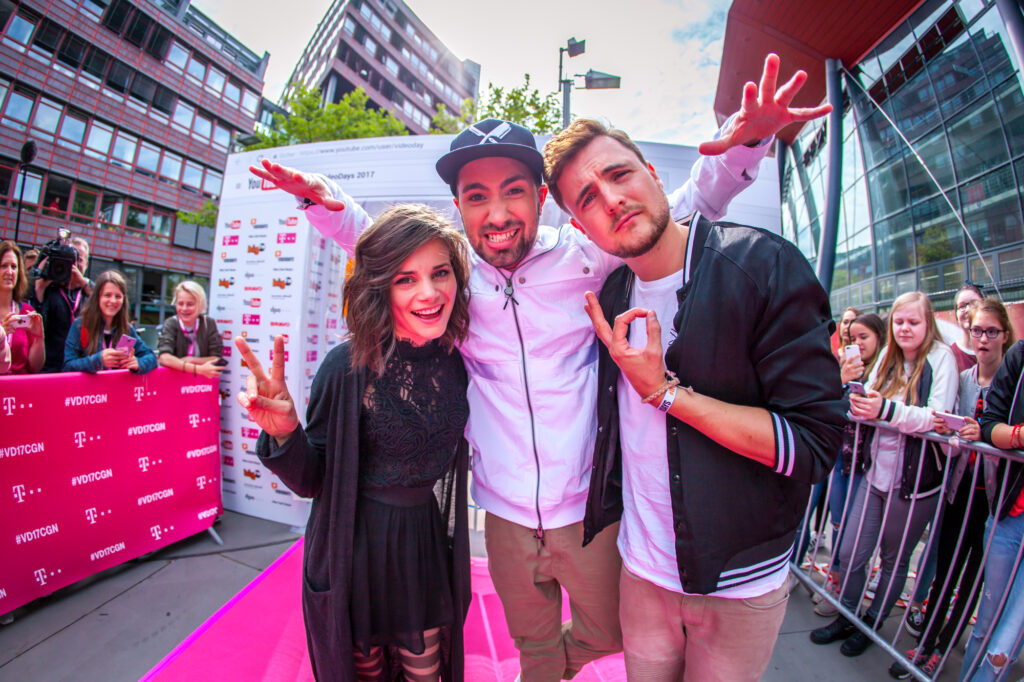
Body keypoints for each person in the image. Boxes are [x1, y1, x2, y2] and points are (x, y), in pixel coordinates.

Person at [250, 53, 829, 681]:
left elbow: (678, 208)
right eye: (477, 197)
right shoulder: (456, 283)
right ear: (459, 208)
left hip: (585, 511)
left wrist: (743, 145)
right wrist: (326, 204)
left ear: (543, 198)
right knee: (532, 644)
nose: (498, 213)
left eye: (514, 192)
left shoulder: (588, 256)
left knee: (610, 631)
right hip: (504, 515)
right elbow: (390, 251)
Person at [539, 117, 845, 680]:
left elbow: (814, 443)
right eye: (588, 198)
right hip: (641, 571)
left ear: (654, 175)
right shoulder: (610, 295)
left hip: (740, 581)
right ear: (580, 225)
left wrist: (664, 393)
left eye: (619, 175)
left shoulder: (760, 265)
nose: (611, 200)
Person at [238, 205, 472, 681]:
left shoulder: (460, 362)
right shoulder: (347, 366)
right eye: (406, 279)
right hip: (355, 550)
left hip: (422, 548)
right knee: (364, 673)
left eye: (440, 273)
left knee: (428, 672)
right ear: (379, 287)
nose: (429, 293)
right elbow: (312, 480)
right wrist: (285, 434)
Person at [811, 292, 958, 657]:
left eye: (913, 322)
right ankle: (848, 615)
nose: (905, 328)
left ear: (928, 324)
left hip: (915, 484)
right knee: (850, 552)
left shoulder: (942, 358)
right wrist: (859, 404)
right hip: (875, 473)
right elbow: (870, 403)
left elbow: (936, 417)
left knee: (894, 560)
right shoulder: (888, 357)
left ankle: (871, 622)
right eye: (899, 321)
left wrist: (886, 411)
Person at [889, 298, 1015, 679]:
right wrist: (948, 432)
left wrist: (987, 436)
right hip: (959, 490)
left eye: (991, 331)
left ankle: (942, 648)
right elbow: (951, 432)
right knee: (944, 571)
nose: (983, 339)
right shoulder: (963, 379)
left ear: (1005, 335)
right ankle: (926, 642)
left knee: (973, 581)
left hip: (995, 500)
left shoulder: (1013, 383)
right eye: (977, 330)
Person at [811, 312, 887, 618]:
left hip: (865, 466)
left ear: (879, 338)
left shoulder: (883, 372)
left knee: (853, 536)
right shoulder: (843, 367)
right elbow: (825, 401)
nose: (857, 343)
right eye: (853, 338)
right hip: (840, 460)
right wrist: (841, 377)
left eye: (863, 337)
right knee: (838, 525)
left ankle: (845, 593)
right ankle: (835, 583)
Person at [960, 329, 1024, 680]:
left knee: (1007, 640)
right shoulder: (1020, 356)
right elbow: (990, 425)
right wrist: (1020, 435)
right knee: (986, 623)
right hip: (1011, 513)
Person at [62, 270, 156, 374]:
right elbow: (67, 366)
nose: (113, 301)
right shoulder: (80, 325)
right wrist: (98, 361)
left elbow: (151, 357)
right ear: (98, 297)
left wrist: (138, 363)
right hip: (90, 385)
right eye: (107, 295)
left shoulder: (127, 329)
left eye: (118, 296)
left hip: (116, 385)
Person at [32, 235, 92, 372]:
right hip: (50, 368)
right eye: (71, 259)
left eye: (79, 259)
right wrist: (40, 287)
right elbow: (37, 321)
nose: (74, 264)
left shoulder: (88, 294)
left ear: (87, 264)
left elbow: (102, 299)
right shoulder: (51, 289)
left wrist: (82, 282)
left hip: (79, 369)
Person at [157, 281, 224, 378]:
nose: (184, 308)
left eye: (190, 304)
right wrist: (199, 369)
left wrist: (191, 360)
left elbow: (216, 359)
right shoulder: (171, 323)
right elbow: (164, 358)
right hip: (176, 380)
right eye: (180, 304)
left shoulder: (208, 323)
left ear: (200, 305)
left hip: (201, 383)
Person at [0, 240, 44, 374]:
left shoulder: (27, 311)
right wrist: (2, 335)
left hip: (19, 385)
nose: (9, 272)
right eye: (4, 266)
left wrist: (39, 338)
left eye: (14, 267)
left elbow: (35, 367)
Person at [950, 283, 983, 372]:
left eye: (974, 304)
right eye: (962, 306)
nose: (968, 309)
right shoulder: (950, 355)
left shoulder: (996, 349)